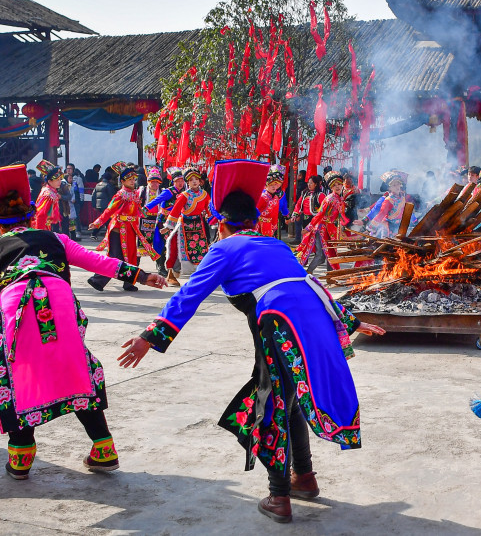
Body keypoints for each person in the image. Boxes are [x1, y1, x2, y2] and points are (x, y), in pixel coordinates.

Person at [117, 159, 384, 522]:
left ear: (221, 224)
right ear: (256, 221)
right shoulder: (276, 245)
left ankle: (279, 497)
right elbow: (311, 286)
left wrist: (150, 337)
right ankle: (303, 477)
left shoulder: (223, 249)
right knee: (288, 399)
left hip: (279, 324)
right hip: (311, 320)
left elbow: (188, 296)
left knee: (269, 402)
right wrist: (349, 318)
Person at [0, 164, 164, 481]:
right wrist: (142, 275)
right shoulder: (56, 239)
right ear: (29, 217)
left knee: (17, 373)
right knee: (77, 369)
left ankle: (21, 456)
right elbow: (99, 262)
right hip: (60, 305)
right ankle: (103, 450)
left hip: (15, 311)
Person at [87, 162, 160, 292]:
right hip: (118, 230)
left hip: (131, 229)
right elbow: (109, 210)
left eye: (134, 179)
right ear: (122, 181)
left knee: (131, 256)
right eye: (129, 179)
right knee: (115, 257)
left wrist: (148, 215)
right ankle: (97, 279)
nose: (132, 182)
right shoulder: (120, 195)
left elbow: (137, 210)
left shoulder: (134, 194)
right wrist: (97, 223)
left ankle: (128, 283)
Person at [162, 167, 212, 287]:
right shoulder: (184, 195)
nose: (194, 181)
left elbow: (209, 208)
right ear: (187, 182)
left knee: (202, 248)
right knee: (176, 247)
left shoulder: (204, 194)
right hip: (184, 224)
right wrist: (168, 227)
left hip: (199, 225)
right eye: (191, 180)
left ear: (200, 181)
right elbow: (175, 211)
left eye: (196, 179)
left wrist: (212, 218)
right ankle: (171, 274)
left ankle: (200, 274)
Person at [297, 171, 348, 274]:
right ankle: (307, 273)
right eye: (334, 185)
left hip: (331, 229)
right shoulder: (329, 199)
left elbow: (341, 216)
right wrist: (308, 228)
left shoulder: (340, 199)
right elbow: (319, 215)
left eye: (339, 184)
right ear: (331, 187)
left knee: (332, 254)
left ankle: (330, 277)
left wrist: (344, 228)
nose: (337, 187)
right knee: (321, 256)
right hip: (322, 229)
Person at [144, 169, 185, 277]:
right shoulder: (169, 191)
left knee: (174, 243)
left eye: (182, 180)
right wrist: (146, 208)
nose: (181, 183)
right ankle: (161, 266)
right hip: (164, 221)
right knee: (162, 243)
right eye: (178, 181)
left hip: (176, 221)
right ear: (173, 182)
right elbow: (156, 200)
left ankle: (172, 267)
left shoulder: (184, 192)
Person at [366, 170, 415, 237]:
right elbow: (381, 214)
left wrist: (414, 221)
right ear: (389, 188)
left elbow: (406, 211)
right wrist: (370, 228)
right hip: (388, 227)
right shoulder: (388, 200)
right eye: (394, 185)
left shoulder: (402, 198)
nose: (397, 187)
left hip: (399, 226)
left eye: (398, 184)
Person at [137, 166, 164, 275]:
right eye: (152, 182)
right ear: (148, 181)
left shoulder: (162, 191)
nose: (155, 184)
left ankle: (161, 267)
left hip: (157, 221)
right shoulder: (142, 191)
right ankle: (136, 266)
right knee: (140, 244)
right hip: (143, 221)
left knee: (158, 244)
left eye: (157, 182)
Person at [256, 165, 290, 238]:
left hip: (270, 225)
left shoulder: (276, 198)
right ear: (266, 185)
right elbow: (255, 211)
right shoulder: (262, 196)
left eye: (276, 183)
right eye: (272, 185)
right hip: (259, 224)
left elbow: (275, 213)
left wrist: (274, 225)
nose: (275, 186)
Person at [291, 175, 325, 243]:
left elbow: (324, 208)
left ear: (315, 184)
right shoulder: (304, 193)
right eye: (308, 183)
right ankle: (307, 251)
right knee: (306, 236)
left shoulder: (320, 195)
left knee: (316, 237)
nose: (309, 185)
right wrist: (295, 214)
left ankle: (315, 252)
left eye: (311, 183)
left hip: (316, 219)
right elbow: (298, 204)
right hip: (305, 218)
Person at [31, 160, 63, 232]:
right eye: (57, 180)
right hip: (41, 227)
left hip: (46, 226)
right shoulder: (48, 195)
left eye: (60, 179)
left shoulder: (50, 191)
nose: (60, 182)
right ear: (49, 181)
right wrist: (40, 232)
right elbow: (41, 215)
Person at [89, 168, 117, 239]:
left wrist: (94, 205)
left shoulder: (98, 185)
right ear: (109, 179)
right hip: (107, 205)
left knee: (104, 220)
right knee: (106, 220)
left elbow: (93, 195)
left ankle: (96, 233)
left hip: (99, 205)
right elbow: (112, 197)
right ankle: (108, 235)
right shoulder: (108, 185)